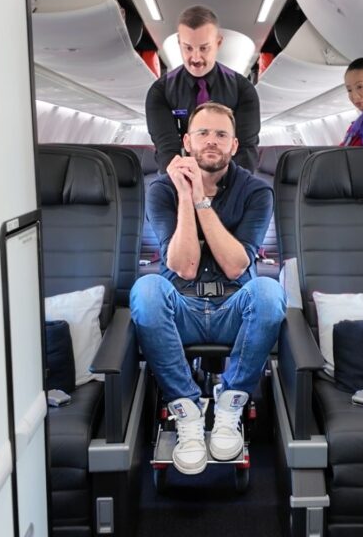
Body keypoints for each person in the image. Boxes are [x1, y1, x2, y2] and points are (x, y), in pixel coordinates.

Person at [130, 102, 285, 476]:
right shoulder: (162, 191)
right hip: (180, 307)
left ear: (234, 145)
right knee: (146, 289)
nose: (211, 142)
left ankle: (231, 403)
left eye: (221, 135)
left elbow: (235, 265)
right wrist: (185, 195)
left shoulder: (256, 193)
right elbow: (183, 265)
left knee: (269, 291)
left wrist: (201, 198)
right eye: (202, 133)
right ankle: (186, 407)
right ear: (186, 142)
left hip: (236, 309)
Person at [145, 5, 260, 173]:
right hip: (183, 174)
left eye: (204, 48)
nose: (196, 58)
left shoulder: (243, 89)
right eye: (188, 48)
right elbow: (167, 150)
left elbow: (245, 149)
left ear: (218, 42)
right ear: (179, 43)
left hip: (230, 175)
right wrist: (182, 188)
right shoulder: (160, 92)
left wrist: (232, 192)